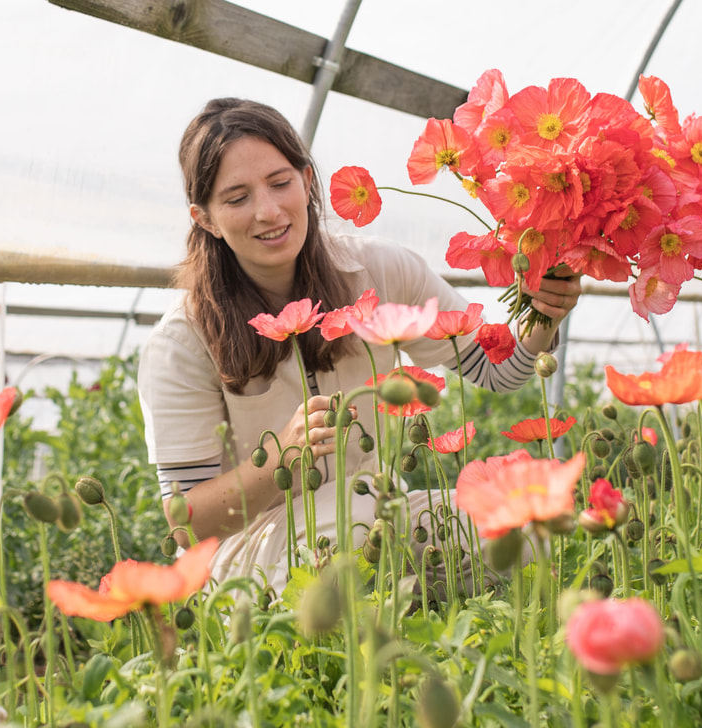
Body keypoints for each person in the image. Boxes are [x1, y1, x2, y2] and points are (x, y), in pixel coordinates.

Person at [137, 98, 581, 593]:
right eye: (237, 198)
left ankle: (411, 613)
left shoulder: (381, 272)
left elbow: (499, 371)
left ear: (307, 182)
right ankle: (375, 623)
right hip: (247, 549)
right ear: (206, 218)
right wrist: (278, 458)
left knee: (521, 529)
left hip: (377, 510)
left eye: (280, 183)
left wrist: (545, 310)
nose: (268, 211)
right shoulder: (183, 340)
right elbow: (187, 523)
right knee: (353, 525)